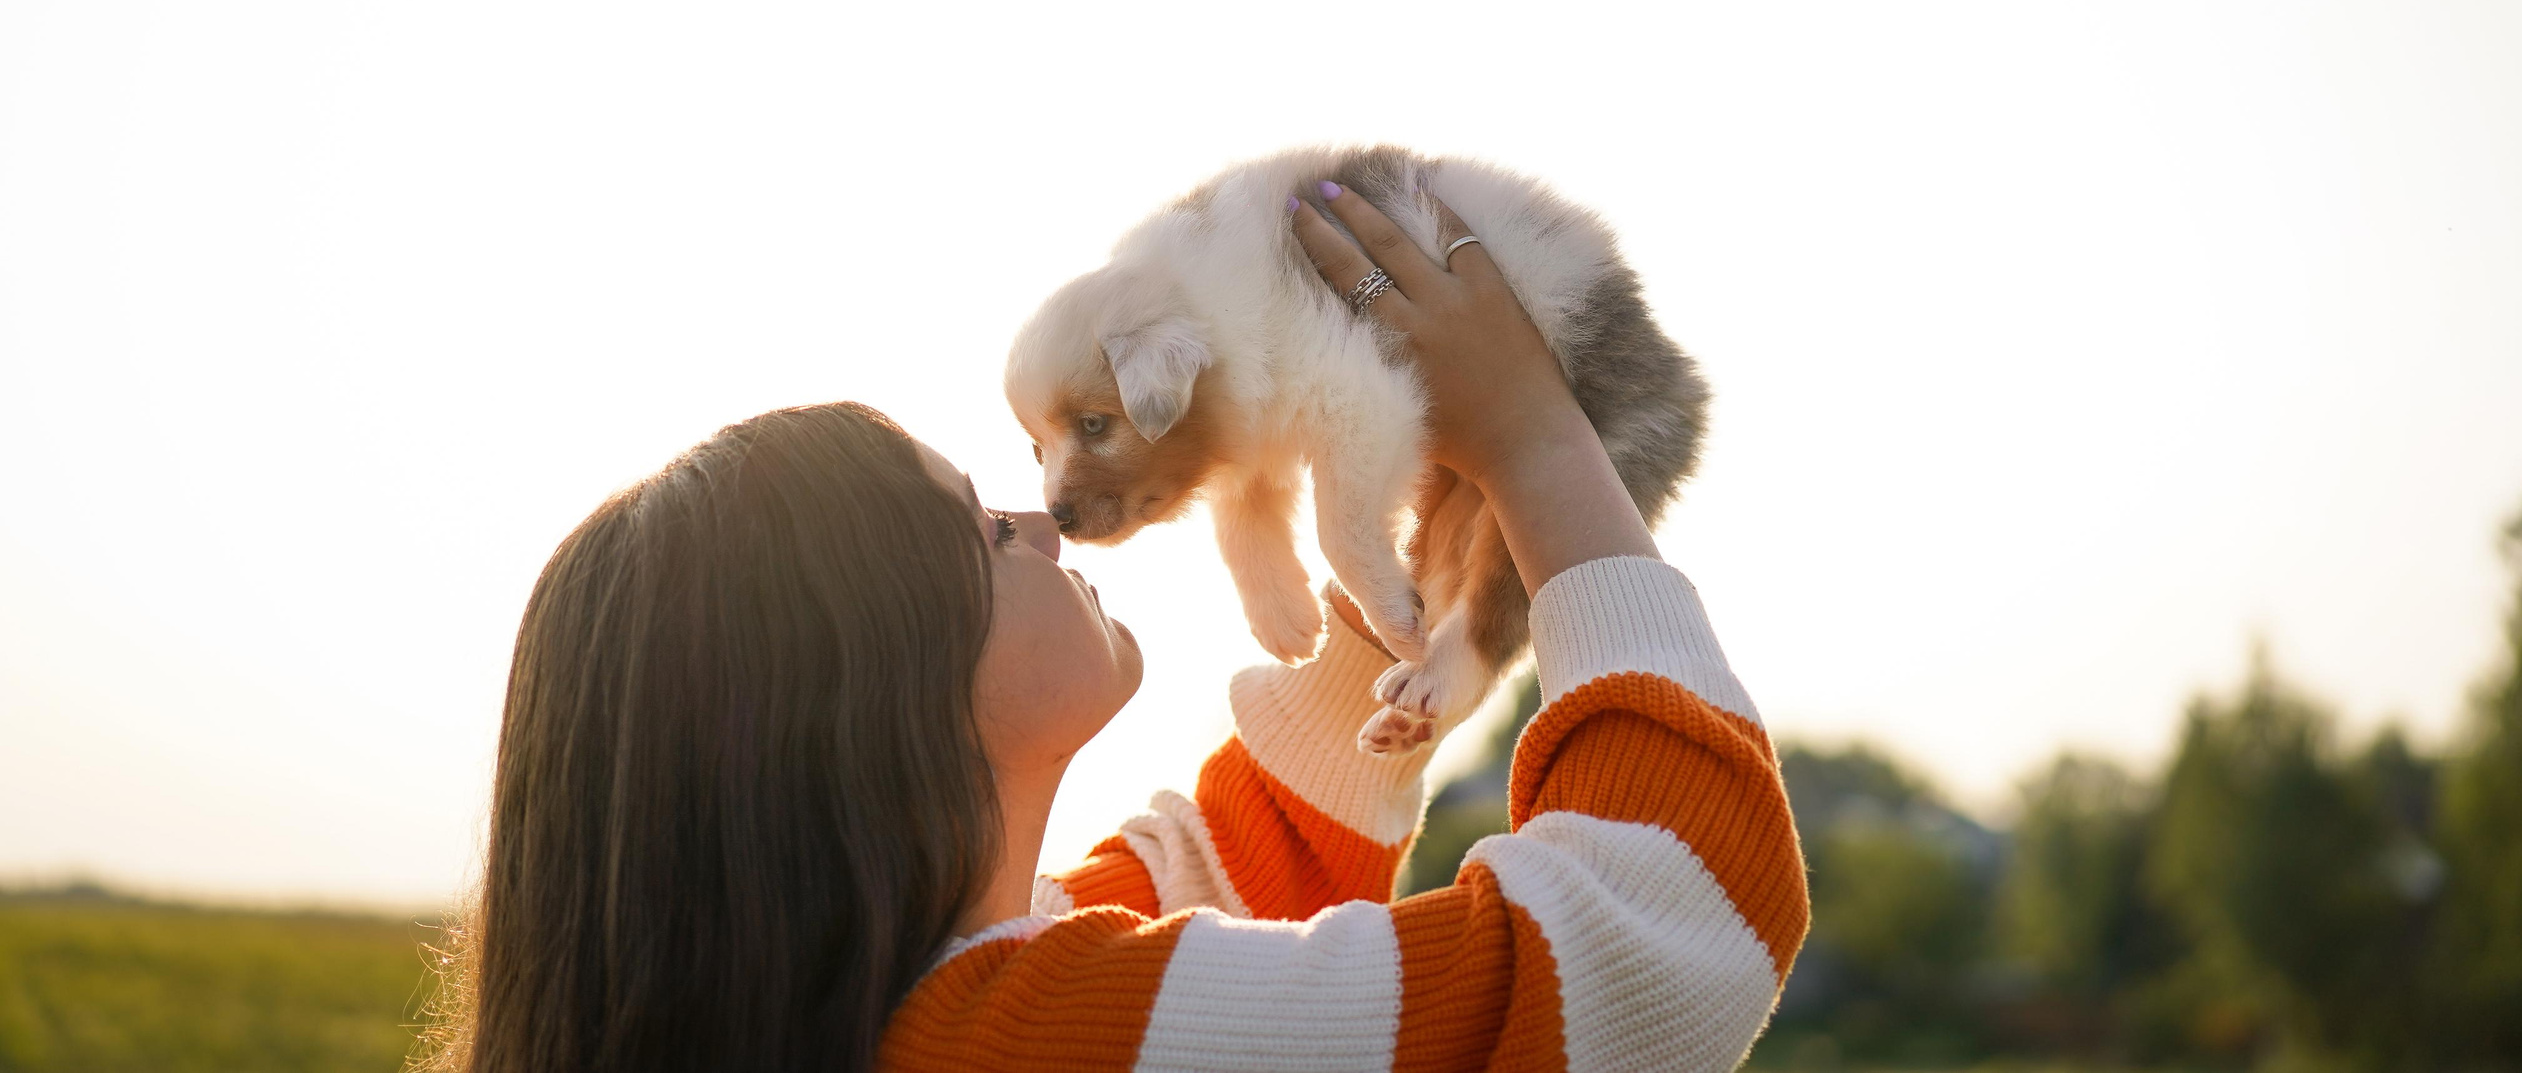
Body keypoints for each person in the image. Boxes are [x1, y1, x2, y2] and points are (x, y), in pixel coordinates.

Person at [423, 187, 1807, 1073]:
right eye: (976, 529)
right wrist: (1536, 449)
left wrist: (1396, 645)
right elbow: (1669, 939)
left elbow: (1239, 879)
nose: (1039, 522)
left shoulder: (942, 999)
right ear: (864, 694)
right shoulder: (1038, 1041)